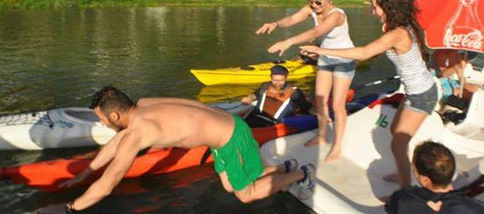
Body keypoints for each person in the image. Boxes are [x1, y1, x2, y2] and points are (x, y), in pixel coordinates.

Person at [38, 86, 315, 213]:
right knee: (230, 186)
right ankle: (282, 168)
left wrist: (69, 209)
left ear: (113, 117)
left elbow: (109, 184)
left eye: (100, 118)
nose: (100, 122)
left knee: (245, 195)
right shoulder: (144, 103)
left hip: (231, 138)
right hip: (223, 133)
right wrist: (86, 171)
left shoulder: (138, 132)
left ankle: (300, 174)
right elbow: (114, 144)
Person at [300, 0, 438, 187]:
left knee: (397, 144)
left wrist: (321, 51)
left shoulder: (396, 34)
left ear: (387, 6)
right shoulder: (400, 28)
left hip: (422, 94)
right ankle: (405, 171)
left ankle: (406, 190)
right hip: (415, 91)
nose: (372, 11)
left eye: (375, 6)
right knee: (395, 133)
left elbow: (364, 53)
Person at [256, 0, 356, 162]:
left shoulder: (337, 15)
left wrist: (288, 41)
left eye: (318, 2)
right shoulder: (311, 9)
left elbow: (315, 33)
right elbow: (292, 19)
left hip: (344, 59)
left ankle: (337, 146)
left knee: (337, 105)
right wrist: (275, 24)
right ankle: (322, 135)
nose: (314, 5)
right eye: (311, 1)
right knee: (319, 101)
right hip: (325, 56)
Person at [385, 141, 484, 213]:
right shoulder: (479, 209)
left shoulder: (403, 201)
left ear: (425, 180)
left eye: (414, 169)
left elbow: (393, 205)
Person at [241, 64, 312, 126]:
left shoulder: (294, 92)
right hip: (256, 117)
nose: (277, 83)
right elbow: (255, 95)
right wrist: (249, 98)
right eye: (274, 80)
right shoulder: (266, 86)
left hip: (274, 124)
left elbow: (306, 107)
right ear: (270, 77)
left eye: (281, 80)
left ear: (286, 78)